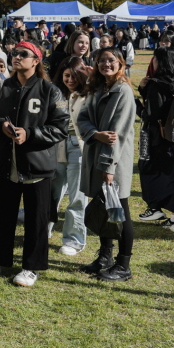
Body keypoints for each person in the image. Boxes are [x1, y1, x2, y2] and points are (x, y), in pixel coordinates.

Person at [0, 41, 68, 288]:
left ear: (36, 60)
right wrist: (1, 126)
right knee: (1, 215)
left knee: (37, 219)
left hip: (37, 166)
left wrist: (29, 134)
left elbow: (60, 127)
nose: (16, 57)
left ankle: (31, 266)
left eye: (23, 54)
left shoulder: (50, 90)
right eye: (14, 53)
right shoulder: (1, 87)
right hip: (7, 164)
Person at [77, 47, 136, 282]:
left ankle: (123, 265)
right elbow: (81, 118)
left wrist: (109, 168)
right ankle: (105, 257)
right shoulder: (97, 88)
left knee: (120, 211)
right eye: (101, 61)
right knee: (104, 209)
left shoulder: (123, 92)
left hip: (115, 160)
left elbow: (117, 134)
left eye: (111, 60)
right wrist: (95, 134)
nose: (106, 64)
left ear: (121, 63)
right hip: (96, 154)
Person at [137, 48, 174, 232]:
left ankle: (154, 208)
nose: (152, 61)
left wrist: (136, 102)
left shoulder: (156, 85)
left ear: (161, 62)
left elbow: (151, 115)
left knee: (149, 170)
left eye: (155, 58)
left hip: (157, 138)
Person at [49, 57, 91, 256]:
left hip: (78, 146)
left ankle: (74, 239)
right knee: (51, 192)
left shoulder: (90, 93)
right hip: (57, 144)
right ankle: (44, 230)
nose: (70, 80)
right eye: (66, 75)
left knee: (76, 195)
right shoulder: (56, 93)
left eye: (75, 76)